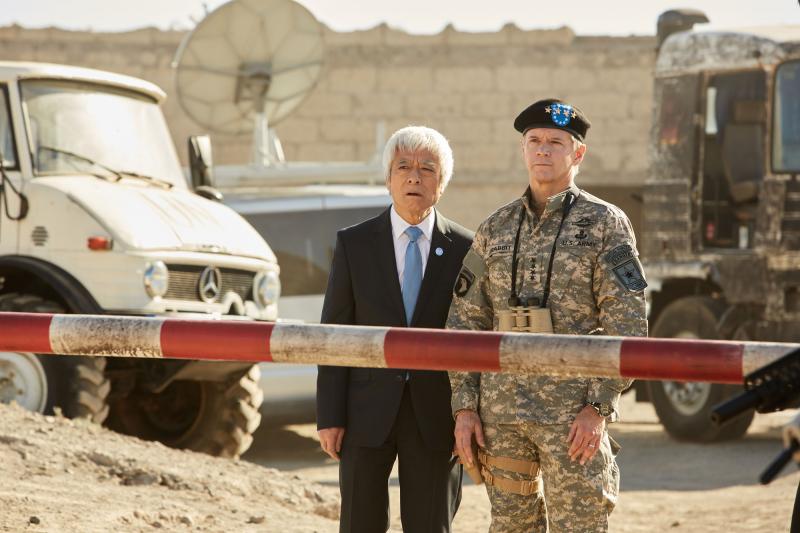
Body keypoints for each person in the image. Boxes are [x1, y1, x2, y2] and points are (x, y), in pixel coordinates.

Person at [447, 99, 648, 532]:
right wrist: (465, 406)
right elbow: (465, 320)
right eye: (534, 140)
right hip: (501, 413)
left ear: (578, 153)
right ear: (523, 150)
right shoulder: (495, 228)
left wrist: (599, 406)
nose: (543, 149)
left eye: (556, 142)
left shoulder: (605, 223)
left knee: (580, 524)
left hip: (572, 415)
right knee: (511, 527)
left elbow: (628, 323)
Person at [316, 125, 473, 533]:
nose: (414, 177)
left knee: (430, 525)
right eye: (403, 167)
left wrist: (470, 414)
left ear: (443, 182)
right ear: (388, 178)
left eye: (427, 169)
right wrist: (329, 415)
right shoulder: (355, 244)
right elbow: (334, 332)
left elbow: (476, 335)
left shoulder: (467, 249)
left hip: (436, 415)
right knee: (360, 523)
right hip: (364, 411)